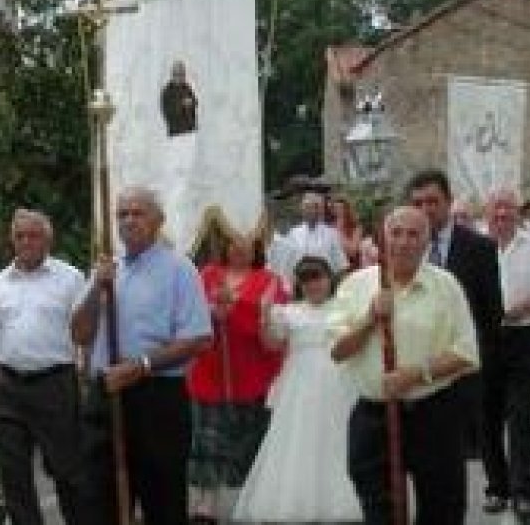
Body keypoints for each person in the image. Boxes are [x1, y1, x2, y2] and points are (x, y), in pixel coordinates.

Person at [71, 186, 213, 525]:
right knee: (98, 498)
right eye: (122, 214)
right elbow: (79, 333)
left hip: (157, 398)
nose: (129, 221)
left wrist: (142, 365)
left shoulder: (180, 269)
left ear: (158, 220)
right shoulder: (106, 269)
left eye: (138, 213)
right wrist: (96, 287)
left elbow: (198, 337)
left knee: (162, 501)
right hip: (106, 396)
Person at [329, 206, 480, 524]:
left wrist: (417, 375)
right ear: (383, 238)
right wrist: (370, 318)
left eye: (414, 234)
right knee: (378, 509)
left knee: (443, 510)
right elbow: (338, 350)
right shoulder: (356, 285)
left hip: (433, 414)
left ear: (427, 242)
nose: (404, 242)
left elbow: (466, 353)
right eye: (396, 233)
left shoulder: (446, 286)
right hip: (375, 416)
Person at [0, 209, 85, 525]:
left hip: (55, 385)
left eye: (33, 235)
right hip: (9, 387)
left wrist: (85, 380)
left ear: (48, 238)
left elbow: (87, 335)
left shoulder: (71, 278)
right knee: (13, 475)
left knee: (67, 471)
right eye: (19, 236)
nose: (26, 242)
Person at [233, 256, 362, 522]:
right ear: (300, 284)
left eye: (319, 277)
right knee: (298, 437)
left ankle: (344, 498)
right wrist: (265, 317)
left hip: (339, 378)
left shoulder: (344, 307)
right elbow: (272, 344)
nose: (314, 284)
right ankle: (296, 499)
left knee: (339, 435)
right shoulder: (289, 311)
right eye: (307, 280)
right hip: (299, 383)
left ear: (330, 279)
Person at [187, 233, 287, 522]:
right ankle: (206, 502)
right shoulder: (207, 274)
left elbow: (274, 320)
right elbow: (191, 312)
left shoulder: (269, 279)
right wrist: (213, 311)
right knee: (207, 439)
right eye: (232, 241)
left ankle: (250, 502)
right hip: (210, 370)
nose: (238, 247)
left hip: (252, 373)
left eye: (245, 241)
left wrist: (235, 308)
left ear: (256, 246)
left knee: (249, 441)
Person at [405, 170, 503, 460]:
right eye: (418, 203)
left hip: (463, 365)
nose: (425, 210)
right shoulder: (403, 249)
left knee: (461, 451)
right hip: (418, 364)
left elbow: (490, 312)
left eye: (432, 202)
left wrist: (478, 361)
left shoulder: (479, 248)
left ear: (448, 202)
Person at [480, 189, 530, 519]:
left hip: (523, 336)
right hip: (485, 338)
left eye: (507, 210)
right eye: (496, 211)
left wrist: (525, 306)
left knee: (521, 417)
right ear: (488, 214)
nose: (501, 216)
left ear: (517, 213)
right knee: (487, 420)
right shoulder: (477, 248)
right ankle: (497, 487)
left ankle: (523, 493)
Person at [282, 192, 349, 279]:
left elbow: (340, 264)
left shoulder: (331, 234)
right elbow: (287, 264)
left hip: (324, 281)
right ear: (302, 210)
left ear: (318, 210)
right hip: (300, 282)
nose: (309, 211)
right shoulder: (294, 233)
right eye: (306, 207)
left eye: (313, 207)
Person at [330, 196, 366, 271]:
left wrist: (339, 232)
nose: (338, 211)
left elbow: (352, 251)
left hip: (352, 266)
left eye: (341, 208)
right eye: (335, 208)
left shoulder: (355, 226)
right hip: (335, 266)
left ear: (346, 209)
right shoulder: (330, 227)